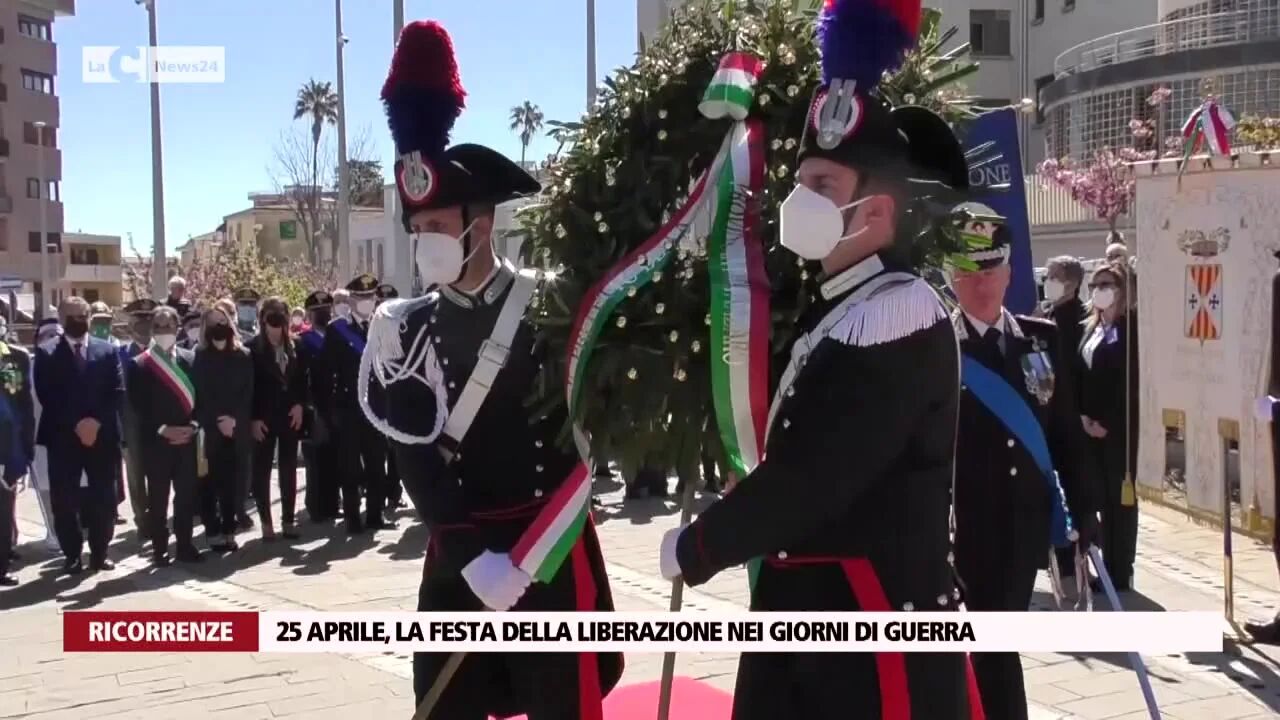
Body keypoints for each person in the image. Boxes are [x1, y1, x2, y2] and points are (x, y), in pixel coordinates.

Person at [658, 2, 984, 716]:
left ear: (879, 213)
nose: (800, 199)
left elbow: (814, 477)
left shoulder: (897, 314)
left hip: (871, 654)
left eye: (824, 187)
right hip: (814, 635)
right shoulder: (839, 306)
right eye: (801, 181)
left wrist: (704, 544)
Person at [362, 20, 622, 715]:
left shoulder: (552, 303)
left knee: (561, 704)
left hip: (550, 545)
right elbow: (415, 457)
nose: (426, 243)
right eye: (417, 231)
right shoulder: (405, 328)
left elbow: (594, 413)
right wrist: (471, 555)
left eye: (438, 227)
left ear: (482, 222)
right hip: (462, 553)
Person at [949, 213, 1096, 720]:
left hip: (1024, 525)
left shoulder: (1042, 339)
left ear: (1010, 273)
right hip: (959, 529)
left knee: (994, 643)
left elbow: (1065, 437)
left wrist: (1086, 513)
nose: (981, 282)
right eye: (968, 270)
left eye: (991, 269)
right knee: (990, 646)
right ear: (950, 275)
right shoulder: (935, 348)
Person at [34, 296, 125, 575]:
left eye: (83, 314)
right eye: (72, 315)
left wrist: (95, 422)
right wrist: (77, 423)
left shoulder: (107, 351)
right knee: (64, 500)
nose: (78, 320)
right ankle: (72, 554)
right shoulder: (47, 353)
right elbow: (47, 394)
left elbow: (117, 391)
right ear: (61, 319)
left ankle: (100, 553)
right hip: (63, 436)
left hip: (102, 435)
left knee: (103, 498)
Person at [1079, 261, 1140, 591]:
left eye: (1107, 284)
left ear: (1121, 290)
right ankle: (1105, 566)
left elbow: (1128, 386)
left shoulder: (1129, 329)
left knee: (1121, 503)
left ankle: (1121, 570)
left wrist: (1110, 424)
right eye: (1095, 285)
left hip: (1117, 433)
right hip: (1089, 429)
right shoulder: (1091, 328)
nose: (1100, 290)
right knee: (1101, 499)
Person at [127, 306, 202, 566]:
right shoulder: (140, 364)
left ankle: (185, 545)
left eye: (168, 326)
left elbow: (201, 400)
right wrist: (163, 429)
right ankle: (160, 549)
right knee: (158, 499)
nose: (164, 332)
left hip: (186, 440)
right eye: (158, 327)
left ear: (178, 328)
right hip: (157, 442)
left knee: (186, 497)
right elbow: (138, 406)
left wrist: (192, 426)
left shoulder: (190, 359)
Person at [320, 273, 395, 534]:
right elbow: (326, 373)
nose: (367, 301)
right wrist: (330, 412)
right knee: (350, 467)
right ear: (351, 300)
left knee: (377, 465)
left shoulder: (384, 326)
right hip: (349, 408)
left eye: (370, 296)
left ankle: (375, 515)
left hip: (376, 409)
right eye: (361, 296)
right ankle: (353, 518)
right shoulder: (337, 329)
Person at [193, 303, 253, 553]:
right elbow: (199, 395)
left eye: (222, 320)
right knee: (208, 483)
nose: (218, 326)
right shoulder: (199, 355)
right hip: (208, 431)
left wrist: (234, 421)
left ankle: (229, 528)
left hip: (235, 430)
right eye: (212, 322)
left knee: (233, 483)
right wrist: (217, 421)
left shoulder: (243, 356)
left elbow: (248, 394)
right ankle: (213, 529)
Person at [248, 296, 307, 540]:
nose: (276, 324)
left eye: (280, 317)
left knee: (288, 468)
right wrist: (253, 418)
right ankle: (265, 521)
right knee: (261, 470)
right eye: (271, 317)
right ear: (263, 320)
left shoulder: (297, 346)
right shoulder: (251, 349)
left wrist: (301, 405)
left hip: (289, 417)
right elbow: (248, 387)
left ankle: (288, 519)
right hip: (263, 418)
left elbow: (303, 381)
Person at [119, 298, 158, 542]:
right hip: (132, 427)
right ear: (130, 324)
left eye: (148, 320)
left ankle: (157, 517)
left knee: (159, 475)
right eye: (138, 320)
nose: (143, 325)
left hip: (160, 425)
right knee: (136, 477)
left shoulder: (164, 353)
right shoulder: (120, 355)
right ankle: (142, 520)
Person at [297, 290, 339, 522]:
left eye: (325, 310)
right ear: (309, 315)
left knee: (334, 457)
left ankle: (333, 503)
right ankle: (316, 506)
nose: (322, 314)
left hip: (336, 404)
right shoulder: (303, 342)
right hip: (314, 407)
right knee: (315, 458)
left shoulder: (338, 337)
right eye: (317, 312)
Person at [0, 320, 35, 586]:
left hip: (8, 446)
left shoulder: (15, 357)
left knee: (4, 506)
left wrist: (26, 445)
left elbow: (23, 404)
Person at [27, 319, 62, 553]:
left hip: (69, 437)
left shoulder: (71, 362)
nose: (51, 339)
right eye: (46, 335)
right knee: (46, 487)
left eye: (56, 334)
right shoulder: (27, 365)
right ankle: (53, 531)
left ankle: (69, 531)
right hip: (39, 438)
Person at [375, 283, 405, 515]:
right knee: (376, 454)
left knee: (396, 452)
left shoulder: (405, 328)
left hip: (396, 397)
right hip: (375, 399)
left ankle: (394, 494)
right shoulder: (369, 328)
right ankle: (379, 493)